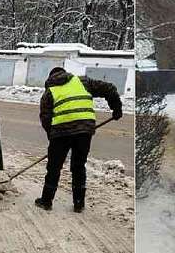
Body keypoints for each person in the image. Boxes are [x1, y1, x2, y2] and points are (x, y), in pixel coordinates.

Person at [36, 67, 123, 212]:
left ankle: (46, 201)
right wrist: (116, 108)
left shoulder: (48, 92)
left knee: (54, 167)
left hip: (61, 132)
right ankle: (78, 204)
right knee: (78, 166)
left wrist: (52, 137)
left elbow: (46, 118)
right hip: (84, 131)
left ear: (50, 78)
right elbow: (109, 88)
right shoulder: (82, 81)